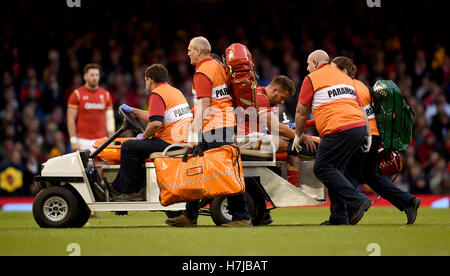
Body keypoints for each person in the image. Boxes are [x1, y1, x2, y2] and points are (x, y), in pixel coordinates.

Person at [165, 36, 252, 227]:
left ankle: (242, 217)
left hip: (215, 126)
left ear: (198, 51)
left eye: (189, 49)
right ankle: (189, 215)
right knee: (196, 169)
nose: (187, 53)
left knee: (226, 172)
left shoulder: (202, 72)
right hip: (223, 124)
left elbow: (204, 104)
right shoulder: (218, 66)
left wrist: (192, 134)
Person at [331, 56, 420, 224]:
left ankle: (347, 214)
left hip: (362, 136)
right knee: (370, 175)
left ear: (343, 71)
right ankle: (408, 202)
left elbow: (358, 114)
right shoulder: (363, 85)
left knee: (343, 171)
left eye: (333, 69)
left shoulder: (347, 88)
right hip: (374, 135)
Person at [292, 50, 373, 225]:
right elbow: (361, 108)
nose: (307, 68)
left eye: (308, 64)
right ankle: (339, 217)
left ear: (315, 63)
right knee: (336, 170)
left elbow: (301, 111)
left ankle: (358, 200)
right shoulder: (345, 79)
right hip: (358, 127)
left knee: (322, 168)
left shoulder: (311, 79)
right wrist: (367, 134)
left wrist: (297, 135)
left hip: (337, 128)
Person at [109, 64, 193, 201]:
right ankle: (124, 187)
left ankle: (128, 192)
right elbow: (155, 116)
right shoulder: (174, 92)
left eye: (145, 80)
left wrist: (144, 137)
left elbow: (155, 123)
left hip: (170, 142)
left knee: (128, 147)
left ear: (149, 80)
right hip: (182, 141)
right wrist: (133, 111)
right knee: (138, 147)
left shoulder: (157, 94)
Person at [67, 63, 115, 153]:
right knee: (84, 167)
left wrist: (111, 139)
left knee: (104, 166)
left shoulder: (106, 95)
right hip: (82, 141)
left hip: (102, 140)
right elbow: (70, 119)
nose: (95, 78)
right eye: (92, 75)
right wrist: (73, 140)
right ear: (85, 76)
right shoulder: (76, 94)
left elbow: (109, 119)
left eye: (97, 75)